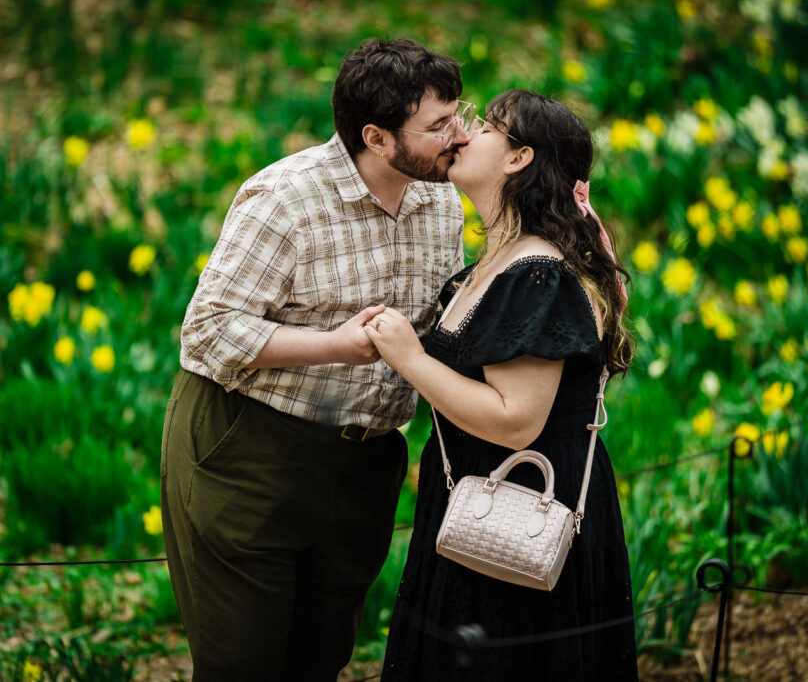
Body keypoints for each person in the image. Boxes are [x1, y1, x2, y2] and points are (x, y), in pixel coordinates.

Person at [160, 38, 471, 680]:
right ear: (377, 138)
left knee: (320, 658)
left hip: (367, 463)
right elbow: (206, 331)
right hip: (249, 449)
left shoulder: (440, 197)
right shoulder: (285, 200)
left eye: (458, 115)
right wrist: (335, 346)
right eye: (439, 125)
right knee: (242, 664)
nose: (459, 136)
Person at [365, 89, 640, 680]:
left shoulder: (536, 273)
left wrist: (409, 358)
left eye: (487, 126)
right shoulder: (496, 262)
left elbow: (517, 420)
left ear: (518, 159)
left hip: (522, 511)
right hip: (475, 507)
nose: (463, 133)